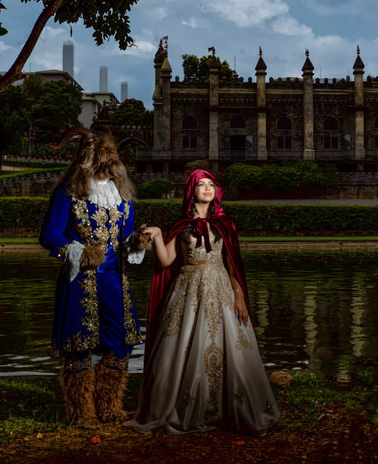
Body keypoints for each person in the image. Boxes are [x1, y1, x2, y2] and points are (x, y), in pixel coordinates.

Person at [127, 169, 280, 435]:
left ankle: (230, 408)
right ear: (191, 191)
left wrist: (240, 295)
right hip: (187, 289)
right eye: (201, 184)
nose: (208, 188)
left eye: (211, 184)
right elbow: (165, 261)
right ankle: (183, 406)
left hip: (220, 288)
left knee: (229, 343)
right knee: (183, 343)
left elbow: (232, 264)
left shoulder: (224, 223)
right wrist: (159, 235)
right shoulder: (181, 225)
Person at [39, 130, 145, 427]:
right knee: (79, 346)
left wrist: (136, 242)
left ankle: (110, 408)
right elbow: (49, 236)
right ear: (88, 159)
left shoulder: (122, 197)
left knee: (120, 345)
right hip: (79, 281)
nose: (112, 161)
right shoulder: (67, 193)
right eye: (105, 156)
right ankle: (81, 413)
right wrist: (78, 252)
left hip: (115, 280)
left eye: (113, 156)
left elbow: (125, 237)